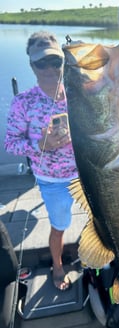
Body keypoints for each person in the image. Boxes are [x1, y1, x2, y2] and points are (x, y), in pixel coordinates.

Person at [4, 31, 78, 291]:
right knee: (59, 226)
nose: (49, 68)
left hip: (86, 176)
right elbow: (10, 143)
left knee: (98, 222)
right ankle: (57, 267)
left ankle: (96, 261)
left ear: (63, 62)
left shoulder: (79, 94)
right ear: (31, 65)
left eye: (55, 61)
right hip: (52, 181)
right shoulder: (23, 102)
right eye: (41, 63)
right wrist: (40, 145)